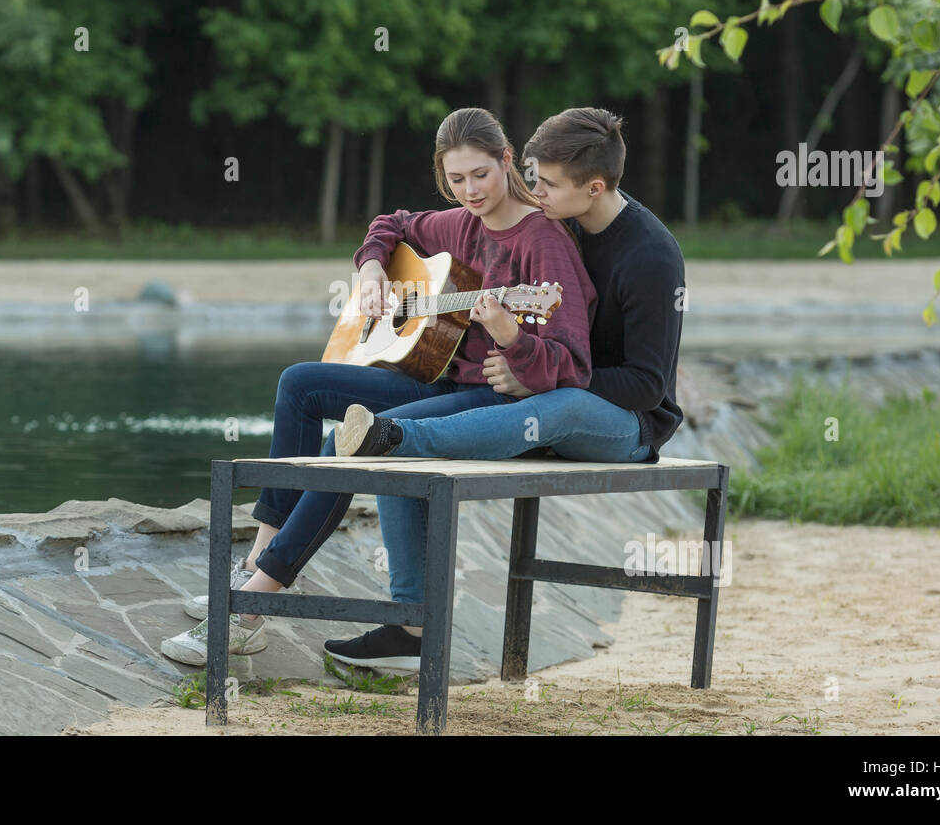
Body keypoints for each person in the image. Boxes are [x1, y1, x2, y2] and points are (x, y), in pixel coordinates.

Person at [160, 106, 598, 665]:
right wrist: (370, 270)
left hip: (495, 407)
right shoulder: (458, 224)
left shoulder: (544, 242)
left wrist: (514, 344)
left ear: (507, 160)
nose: (470, 191)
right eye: (456, 179)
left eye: (481, 175)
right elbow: (389, 225)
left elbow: (573, 365)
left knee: (345, 442)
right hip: (437, 385)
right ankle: (255, 561)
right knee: (300, 384)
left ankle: (249, 609)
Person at [324, 107, 687, 673]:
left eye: (546, 185)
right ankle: (408, 623)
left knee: (557, 404)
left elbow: (646, 385)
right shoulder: (560, 224)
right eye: (533, 175)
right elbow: (395, 226)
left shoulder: (650, 259)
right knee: (394, 422)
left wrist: (543, 372)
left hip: (624, 424)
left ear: (593, 189)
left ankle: (399, 438)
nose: (533, 192)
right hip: (535, 395)